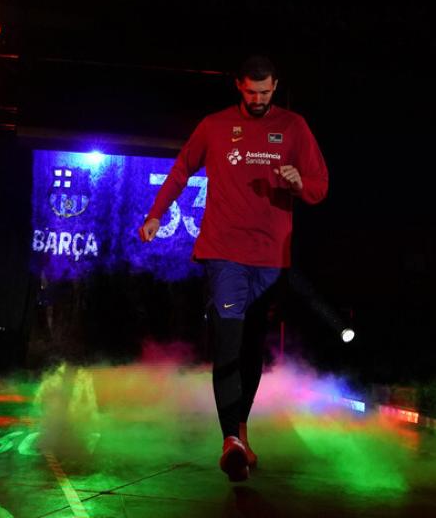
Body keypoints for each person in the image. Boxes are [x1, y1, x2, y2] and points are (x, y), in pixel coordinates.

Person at [138, 55, 328, 481]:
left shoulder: (294, 127)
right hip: (224, 252)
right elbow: (183, 167)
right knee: (228, 337)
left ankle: (240, 432)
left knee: (252, 349)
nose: (258, 99)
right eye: (250, 91)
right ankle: (229, 439)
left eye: (265, 92)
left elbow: (319, 187)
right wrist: (156, 213)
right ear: (238, 86)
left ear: (275, 86)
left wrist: (297, 182)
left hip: (272, 258)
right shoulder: (215, 125)